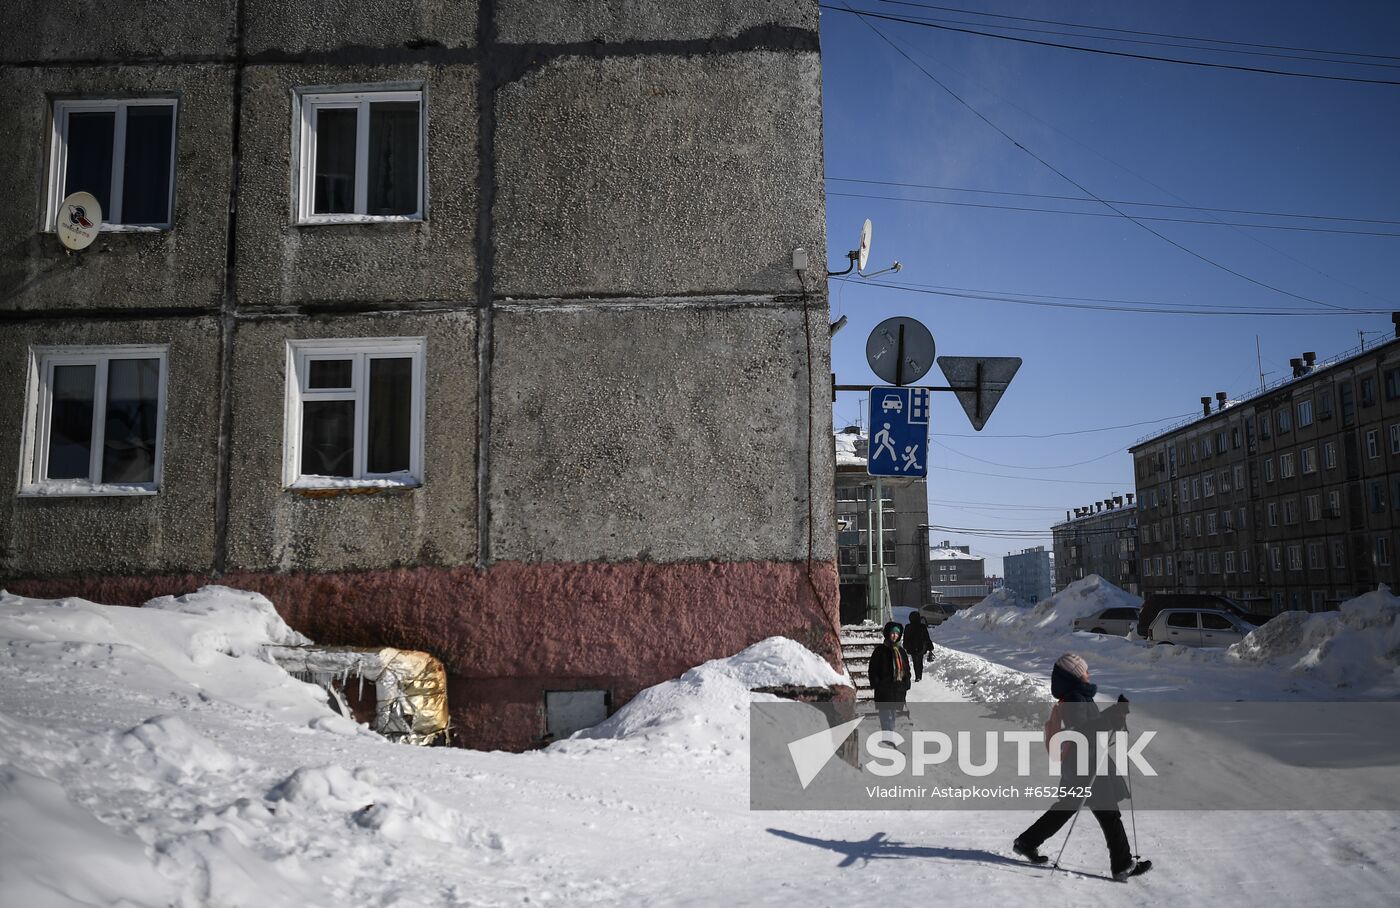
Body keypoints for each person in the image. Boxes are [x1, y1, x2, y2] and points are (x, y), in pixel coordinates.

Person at [1012, 653, 1152, 883]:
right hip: (1085, 764)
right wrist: (1112, 715)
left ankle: (1026, 842)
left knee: (1068, 807)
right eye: (1084, 670)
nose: (1088, 673)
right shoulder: (1075, 697)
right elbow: (1082, 731)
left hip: (1082, 762)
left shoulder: (1078, 695)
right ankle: (1122, 864)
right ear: (1074, 675)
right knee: (1108, 814)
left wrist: (1114, 716)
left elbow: (1090, 727)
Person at [867, 621, 911, 732]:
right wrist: (877, 683)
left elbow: (906, 669)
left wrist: (906, 683)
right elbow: (873, 669)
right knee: (885, 714)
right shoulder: (879, 651)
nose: (895, 635)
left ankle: (889, 734)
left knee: (893, 714)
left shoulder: (901, 651)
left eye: (897, 633)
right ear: (888, 633)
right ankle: (888, 735)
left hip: (897, 689)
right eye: (892, 633)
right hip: (884, 689)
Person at [903, 611, 933, 682]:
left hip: (911, 647)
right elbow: (926, 637)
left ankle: (917, 675)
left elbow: (905, 637)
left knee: (915, 661)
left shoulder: (908, 627)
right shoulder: (922, 626)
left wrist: (905, 645)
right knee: (920, 661)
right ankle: (919, 675)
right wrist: (930, 647)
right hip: (921, 647)